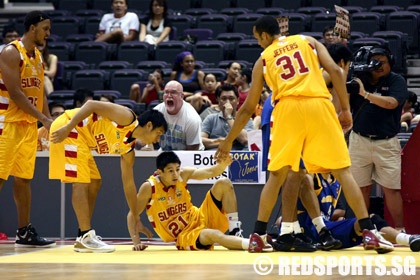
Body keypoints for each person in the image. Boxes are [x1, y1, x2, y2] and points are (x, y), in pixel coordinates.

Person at [215, 15, 393, 254]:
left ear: (265, 36)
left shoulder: (263, 59)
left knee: (277, 175)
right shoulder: (308, 41)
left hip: (287, 108)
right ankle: (369, 232)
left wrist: (227, 142)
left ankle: (258, 235)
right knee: (342, 171)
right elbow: (337, 73)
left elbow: (247, 108)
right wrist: (345, 110)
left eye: (258, 38)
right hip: (318, 105)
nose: (258, 43)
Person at [49, 101, 167, 253]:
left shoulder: (128, 151)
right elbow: (91, 104)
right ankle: (86, 236)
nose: (158, 139)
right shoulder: (127, 118)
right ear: (149, 125)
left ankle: (82, 236)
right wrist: (67, 127)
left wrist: (136, 217)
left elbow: (129, 185)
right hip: (69, 129)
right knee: (80, 183)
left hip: (82, 139)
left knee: (94, 182)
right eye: (159, 133)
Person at [0, 10, 56, 248]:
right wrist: (44, 118)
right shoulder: (11, 52)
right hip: (7, 124)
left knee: (23, 180)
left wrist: (50, 119)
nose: (48, 33)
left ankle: (24, 231)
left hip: (28, 127)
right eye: (45, 29)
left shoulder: (38, 57)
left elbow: (39, 91)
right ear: (32, 28)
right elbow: (16, 94)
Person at [127, 151, 249, 251]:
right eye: (170, 171)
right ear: (160, 172)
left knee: (224, 183)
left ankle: (235, 231)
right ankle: (250, 244)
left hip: (200, 217)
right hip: (185, 235)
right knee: (213, 235)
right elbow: (132, 213)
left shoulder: (183, 174)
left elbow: (210, 172)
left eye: (177, 169)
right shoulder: (149, 187)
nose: (175, 174)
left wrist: (223, 164)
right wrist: (136, 241)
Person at [349, 46, 409, 232]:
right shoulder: (357, 81)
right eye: (375, 62)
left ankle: (399, 229)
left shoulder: (396, 80)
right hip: (359, 140)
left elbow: (392, 103)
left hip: (387, 141)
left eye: (383, 61)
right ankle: (363, 230)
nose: (379, 66)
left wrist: (366, 95)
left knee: (391, 189)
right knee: (361, 188)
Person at [294, 172, 420, 252]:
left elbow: (342, 210)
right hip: (311, 230)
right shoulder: (311, 176)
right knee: (367, 222)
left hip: (328, 229)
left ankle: (408, 239)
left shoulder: (336, 181)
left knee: (370, 222)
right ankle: (408, 239)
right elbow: (303, 182)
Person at [154, 80, 204, 151]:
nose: (169, 95)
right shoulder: (156, 112)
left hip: (190, 155)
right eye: (166, 92)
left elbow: (192, 151)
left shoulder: (192, 118)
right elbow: (144, 134)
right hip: (166, 153)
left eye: (173, 92)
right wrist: (148, 146)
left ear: (181, 96)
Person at [201, 83, 254, 151]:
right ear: (218, 100)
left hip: (237, 159)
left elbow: (245, 139)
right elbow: (201, 140)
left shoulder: (246, 119)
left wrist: (228, 117)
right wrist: (223, 141)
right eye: (223, 99)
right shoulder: (211, 118)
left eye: (231, 99)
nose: (227, 102)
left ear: (238, 100)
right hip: (213, 158)